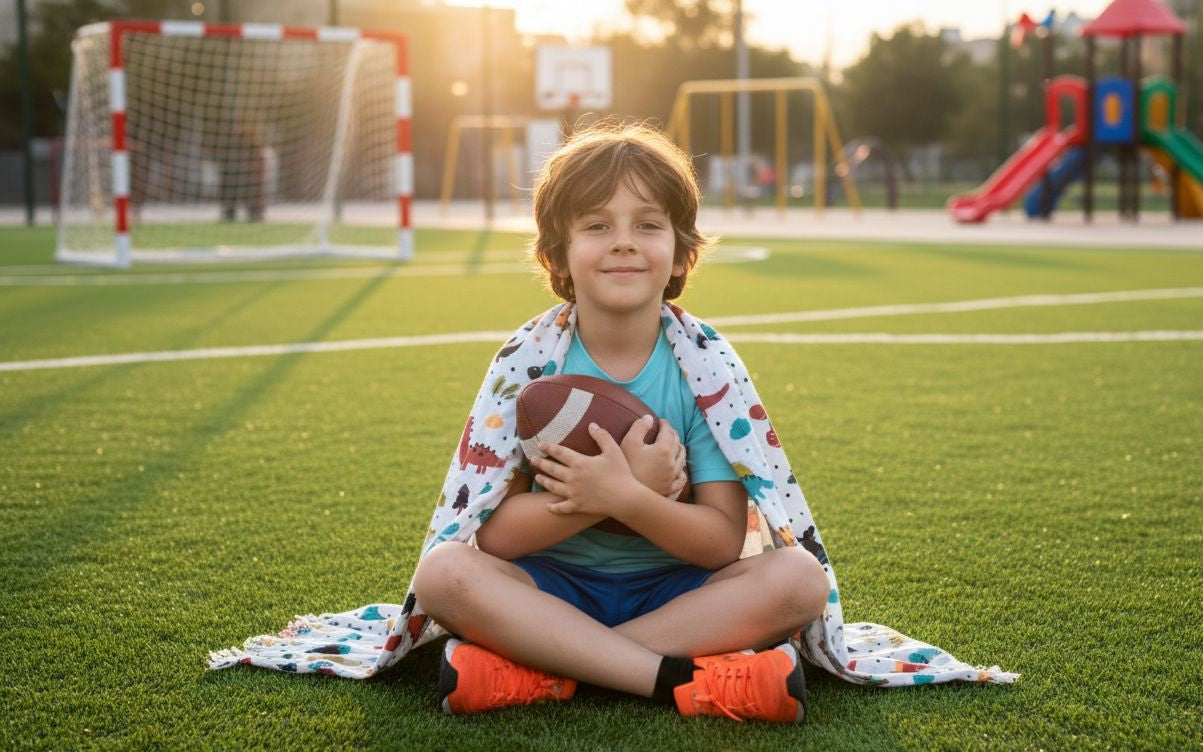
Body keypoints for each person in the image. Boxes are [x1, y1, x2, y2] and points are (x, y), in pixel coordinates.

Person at [412, 122, 830, 723]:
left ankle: (544, 667)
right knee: (443, 574)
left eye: (648, 225)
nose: (624, 243)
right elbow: (497, 536)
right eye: (597, 225)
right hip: (550, 586)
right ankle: (678, 680)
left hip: (677, 594)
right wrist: (601, 497)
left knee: (799, 579)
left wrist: (630, 501)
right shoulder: (529, 363)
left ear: (682, 253)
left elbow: (719, 543)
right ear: (557, 253)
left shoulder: (703, 369)